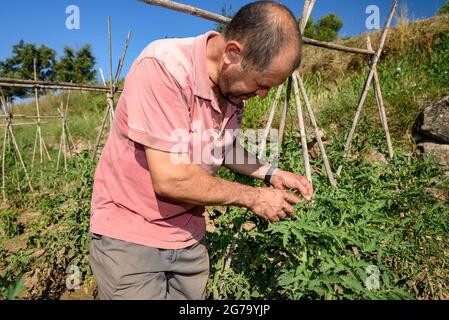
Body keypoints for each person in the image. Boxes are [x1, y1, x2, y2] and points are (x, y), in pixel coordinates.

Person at [89, 0, 313, 300]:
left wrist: (271, 173)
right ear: (233, 53)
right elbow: (171, 178)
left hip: (187, 238)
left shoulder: (231, 88)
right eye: (261, 83)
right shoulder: (164, 67)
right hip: (131, 239)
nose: (262, 94)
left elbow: (223, 147)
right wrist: (255, 197)